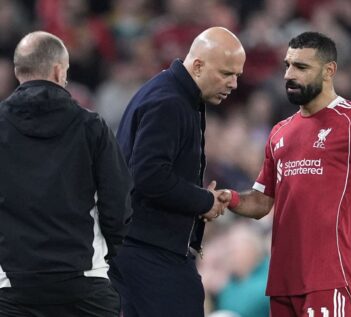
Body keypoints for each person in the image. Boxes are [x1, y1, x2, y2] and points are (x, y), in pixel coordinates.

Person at [221, 32, 351, 317]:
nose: (289, 74)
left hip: (331, 278)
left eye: (301, 67)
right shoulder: (280, 132)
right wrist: (230, 198)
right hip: (282, 281)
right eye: (287, 65)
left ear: (329, 71)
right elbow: (262, 202)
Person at [109, 27, 246, 317]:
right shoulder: (168, 102)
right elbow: (149, 176)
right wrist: (204, 201)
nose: (234, 84)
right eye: (226, 74)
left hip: (146, 249)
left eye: (237, 75)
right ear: (198, 65)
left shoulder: (175, 94)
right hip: (149, 253)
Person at [0, 31, 133, 317]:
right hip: (84, 283)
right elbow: (118, 204)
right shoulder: (92, 127)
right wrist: (110, 254)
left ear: (17, 71)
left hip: (12, 286)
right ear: (59, 70)